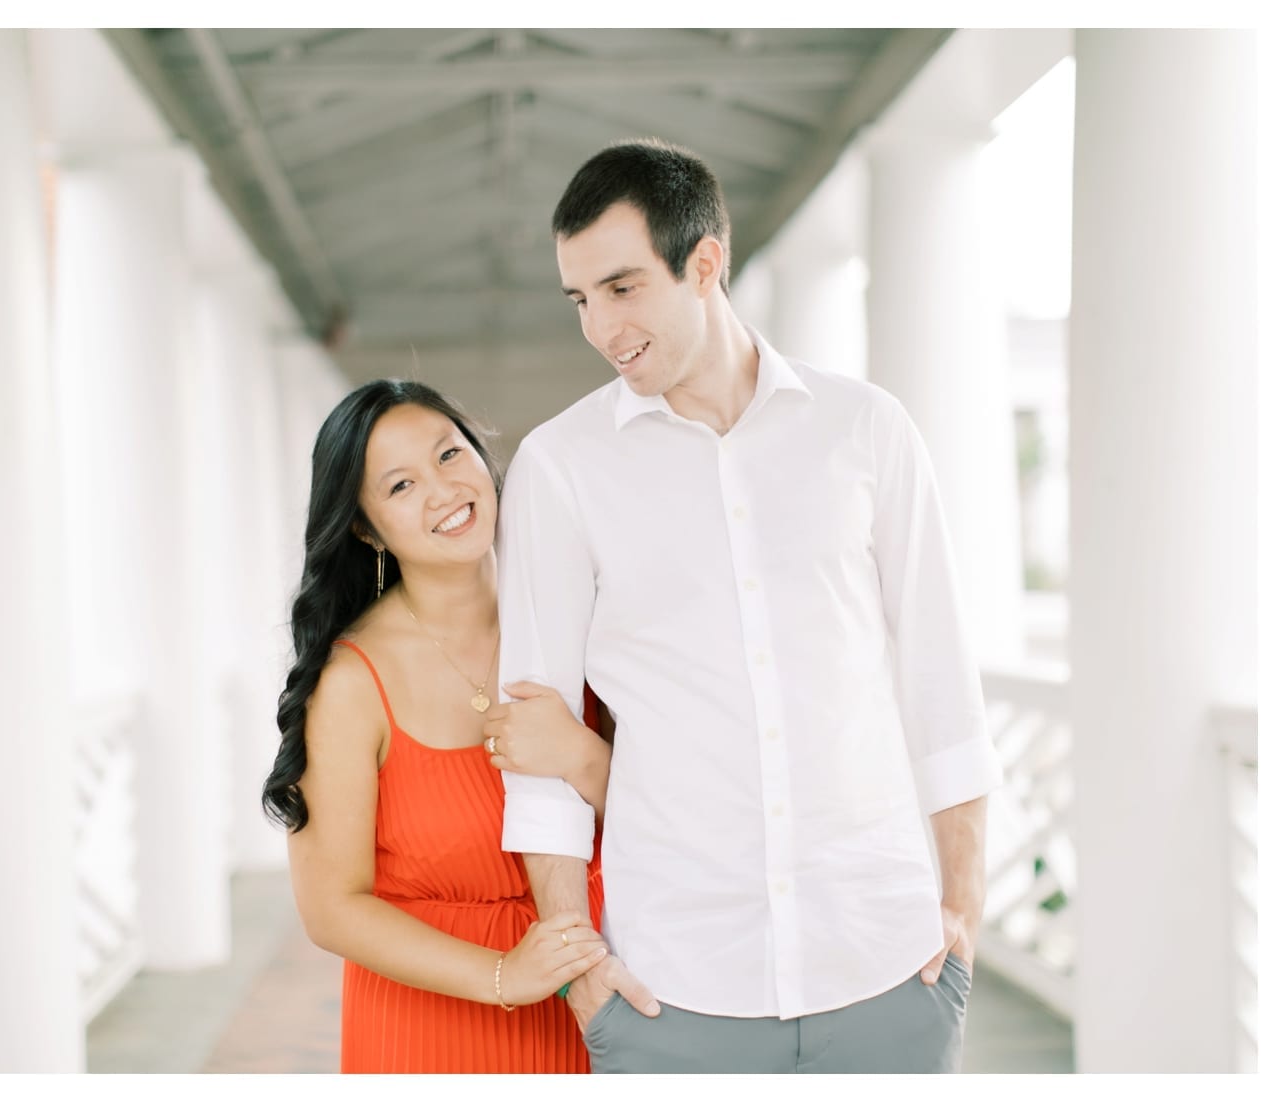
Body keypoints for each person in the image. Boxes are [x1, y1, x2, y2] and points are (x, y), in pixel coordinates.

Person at [491, 139, 1004, 1074]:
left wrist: (961, 909)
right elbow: (539, 738)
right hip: (671, 984)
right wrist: (579, 965)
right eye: (580, 300)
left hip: (888, 967)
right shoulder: (561, 469)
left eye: (622, 287)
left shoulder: (865, 429)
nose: (602, 330)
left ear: (705, 263)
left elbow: (942, 685)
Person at [262, 379, 615, 1074]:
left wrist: (582, 758)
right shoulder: (350, 683)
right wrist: (503, 975)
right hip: (434, 1029)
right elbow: (331, 907)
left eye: (450, 454)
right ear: (364, 527)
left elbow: (684, 813)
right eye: (400, 486)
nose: (443, 490)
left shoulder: (586, 618)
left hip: (601, 1002)